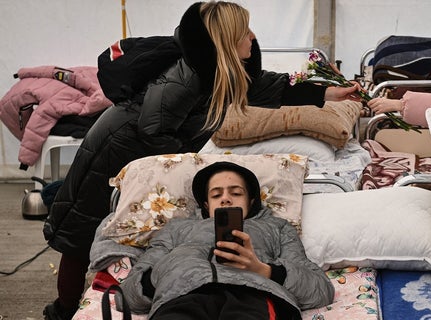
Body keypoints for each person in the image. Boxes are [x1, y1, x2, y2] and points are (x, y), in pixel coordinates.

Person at [42, 1, 357, 319]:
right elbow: (153, 127)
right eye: (245, 30)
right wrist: (182, 166)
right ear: (229, 38)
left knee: (92, 233)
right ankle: (62, 311)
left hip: (136, 145)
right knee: (79, 236)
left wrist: (327, 94)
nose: (252, 36)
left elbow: (265, 87)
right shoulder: (187, 74)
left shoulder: (218, 69)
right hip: (115, 150)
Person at [115, 161, 334, 319]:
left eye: (236, 193)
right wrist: (163, 272)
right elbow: (126, 296)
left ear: (251, 201)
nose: (226, 198)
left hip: (254, 295)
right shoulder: (176, 229)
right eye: (216, 194)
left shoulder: (277, 228)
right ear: (206, 205)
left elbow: (321, 290)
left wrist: (262, 269)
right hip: (179, 296)